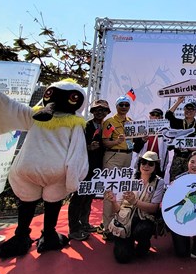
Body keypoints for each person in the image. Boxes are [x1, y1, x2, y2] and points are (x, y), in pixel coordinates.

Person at [105, 151, 166, 263]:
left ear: (155, 166)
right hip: (125, 219)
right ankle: (127, 241)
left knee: (143, 232)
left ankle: (143, 244)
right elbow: (117, 209)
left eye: (150, 164)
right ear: (139, 163)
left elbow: (154, 208)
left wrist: (135, 201)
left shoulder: (159, 182)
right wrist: (113, 202)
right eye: (143, 162)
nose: (146, 166)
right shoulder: (128, 178)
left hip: (144, 219)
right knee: (122, 257)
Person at [68, 99, 109, 241]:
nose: (100, 112)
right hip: (83, 167)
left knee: (89, 197)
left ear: (107, 112)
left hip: (97, 169)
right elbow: (74, 144)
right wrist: (88, 147)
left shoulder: (107, 127)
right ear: (92, 111)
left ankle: (84, 223)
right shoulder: (85, 126)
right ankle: (73, 228)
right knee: (78, 198)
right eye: (97, 109)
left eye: (103, 110)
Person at [100, 94, 135, 233]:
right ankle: (107, 227)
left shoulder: (131, 121)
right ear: (116, 106)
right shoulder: (110, 122)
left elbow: (133, 141)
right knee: (110, 191)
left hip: (128, 157)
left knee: (121, 192)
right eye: (121, 105)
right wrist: (116, 142)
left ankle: (119, 222)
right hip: (113, 157)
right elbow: (105, 141)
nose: (124, 107)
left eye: (127, 105)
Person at [170, 150, 196, 263]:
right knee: (182, 252)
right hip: (180, 215)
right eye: (192, 162)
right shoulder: (178, 179)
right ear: (187, 163)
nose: (195, 165)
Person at [165, 96, 196, 181]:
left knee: (191, 182)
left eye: (192, 109)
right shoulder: (178, 123)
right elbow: (168, 115)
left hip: (192, 159)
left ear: (195, 112)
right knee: (175, 182)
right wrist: (178, 102)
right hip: (178, 157)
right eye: (187, 109)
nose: (189, 111)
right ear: (184, 110)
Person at [133, 108, 169, 183]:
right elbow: (135, 149)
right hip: (144, 163)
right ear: (149, 117)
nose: (155, 117)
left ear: (161, 118)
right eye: (153, 115)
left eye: (158, 115)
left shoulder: (165, 132)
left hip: (157, 164)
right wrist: (142, 140)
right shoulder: (142, 130)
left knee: (156, 184)